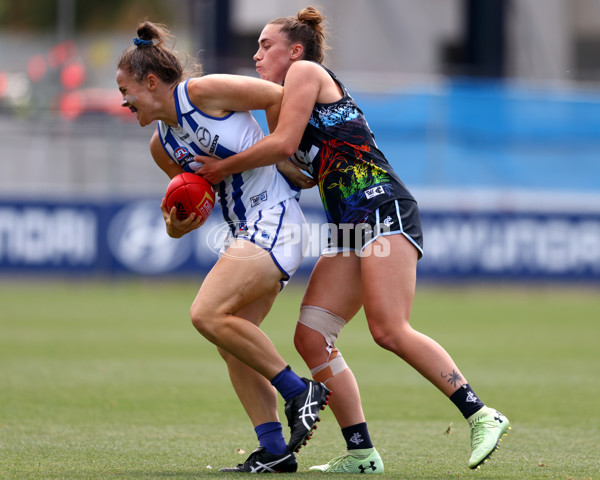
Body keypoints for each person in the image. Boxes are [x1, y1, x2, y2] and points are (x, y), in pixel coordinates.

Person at [197, 6, 511, 474]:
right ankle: (362, 453)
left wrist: (221, 167)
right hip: (347, 222)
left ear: (296, 51)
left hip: (383, 206)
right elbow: (291, 164)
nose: (257, 54)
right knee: (311, 337)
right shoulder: (276, 100)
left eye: (266, 45)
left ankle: (481, 413)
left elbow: (282, 145)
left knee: (389, 330)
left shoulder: (306, 72)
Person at [116, 20, 331, 474]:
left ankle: (300, 391)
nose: (123, 100)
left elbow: (279, 97)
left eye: (126, 89)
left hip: (275, 217)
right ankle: (275, 450)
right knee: (230, 342)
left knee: (205, 314)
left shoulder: (202, 93)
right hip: (245, 231)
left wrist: (283, 153)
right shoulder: (162, 146)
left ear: (151, 82)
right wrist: (177, 225)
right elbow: (184, 218)